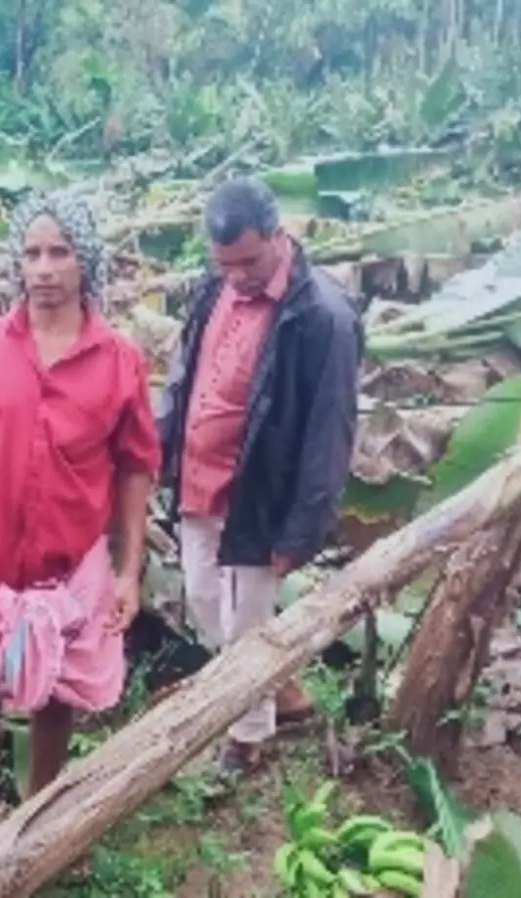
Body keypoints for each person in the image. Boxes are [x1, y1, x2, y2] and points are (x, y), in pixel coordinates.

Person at [0, 191, 160, 845]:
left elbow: (135, 469)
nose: (45, 268)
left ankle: (37, 821)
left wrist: (128, 571)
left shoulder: (119, 361)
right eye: (32, 253)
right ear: (16, 263)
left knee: (57, 696)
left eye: (60, 252)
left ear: (87, 261)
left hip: (72, 566)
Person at [157, 176, 362, 775]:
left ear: (277, 236)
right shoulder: (212, 288)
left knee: (246, 622)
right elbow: (184, 377)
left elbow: (330, 429)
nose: (237, 275)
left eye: (248, 262)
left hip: (259, 493)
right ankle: (284, 690)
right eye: (225, 263)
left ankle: (246, 738)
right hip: (199, 478)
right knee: (202, 595)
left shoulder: (321, 316)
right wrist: (162, 445)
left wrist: (304, 527)